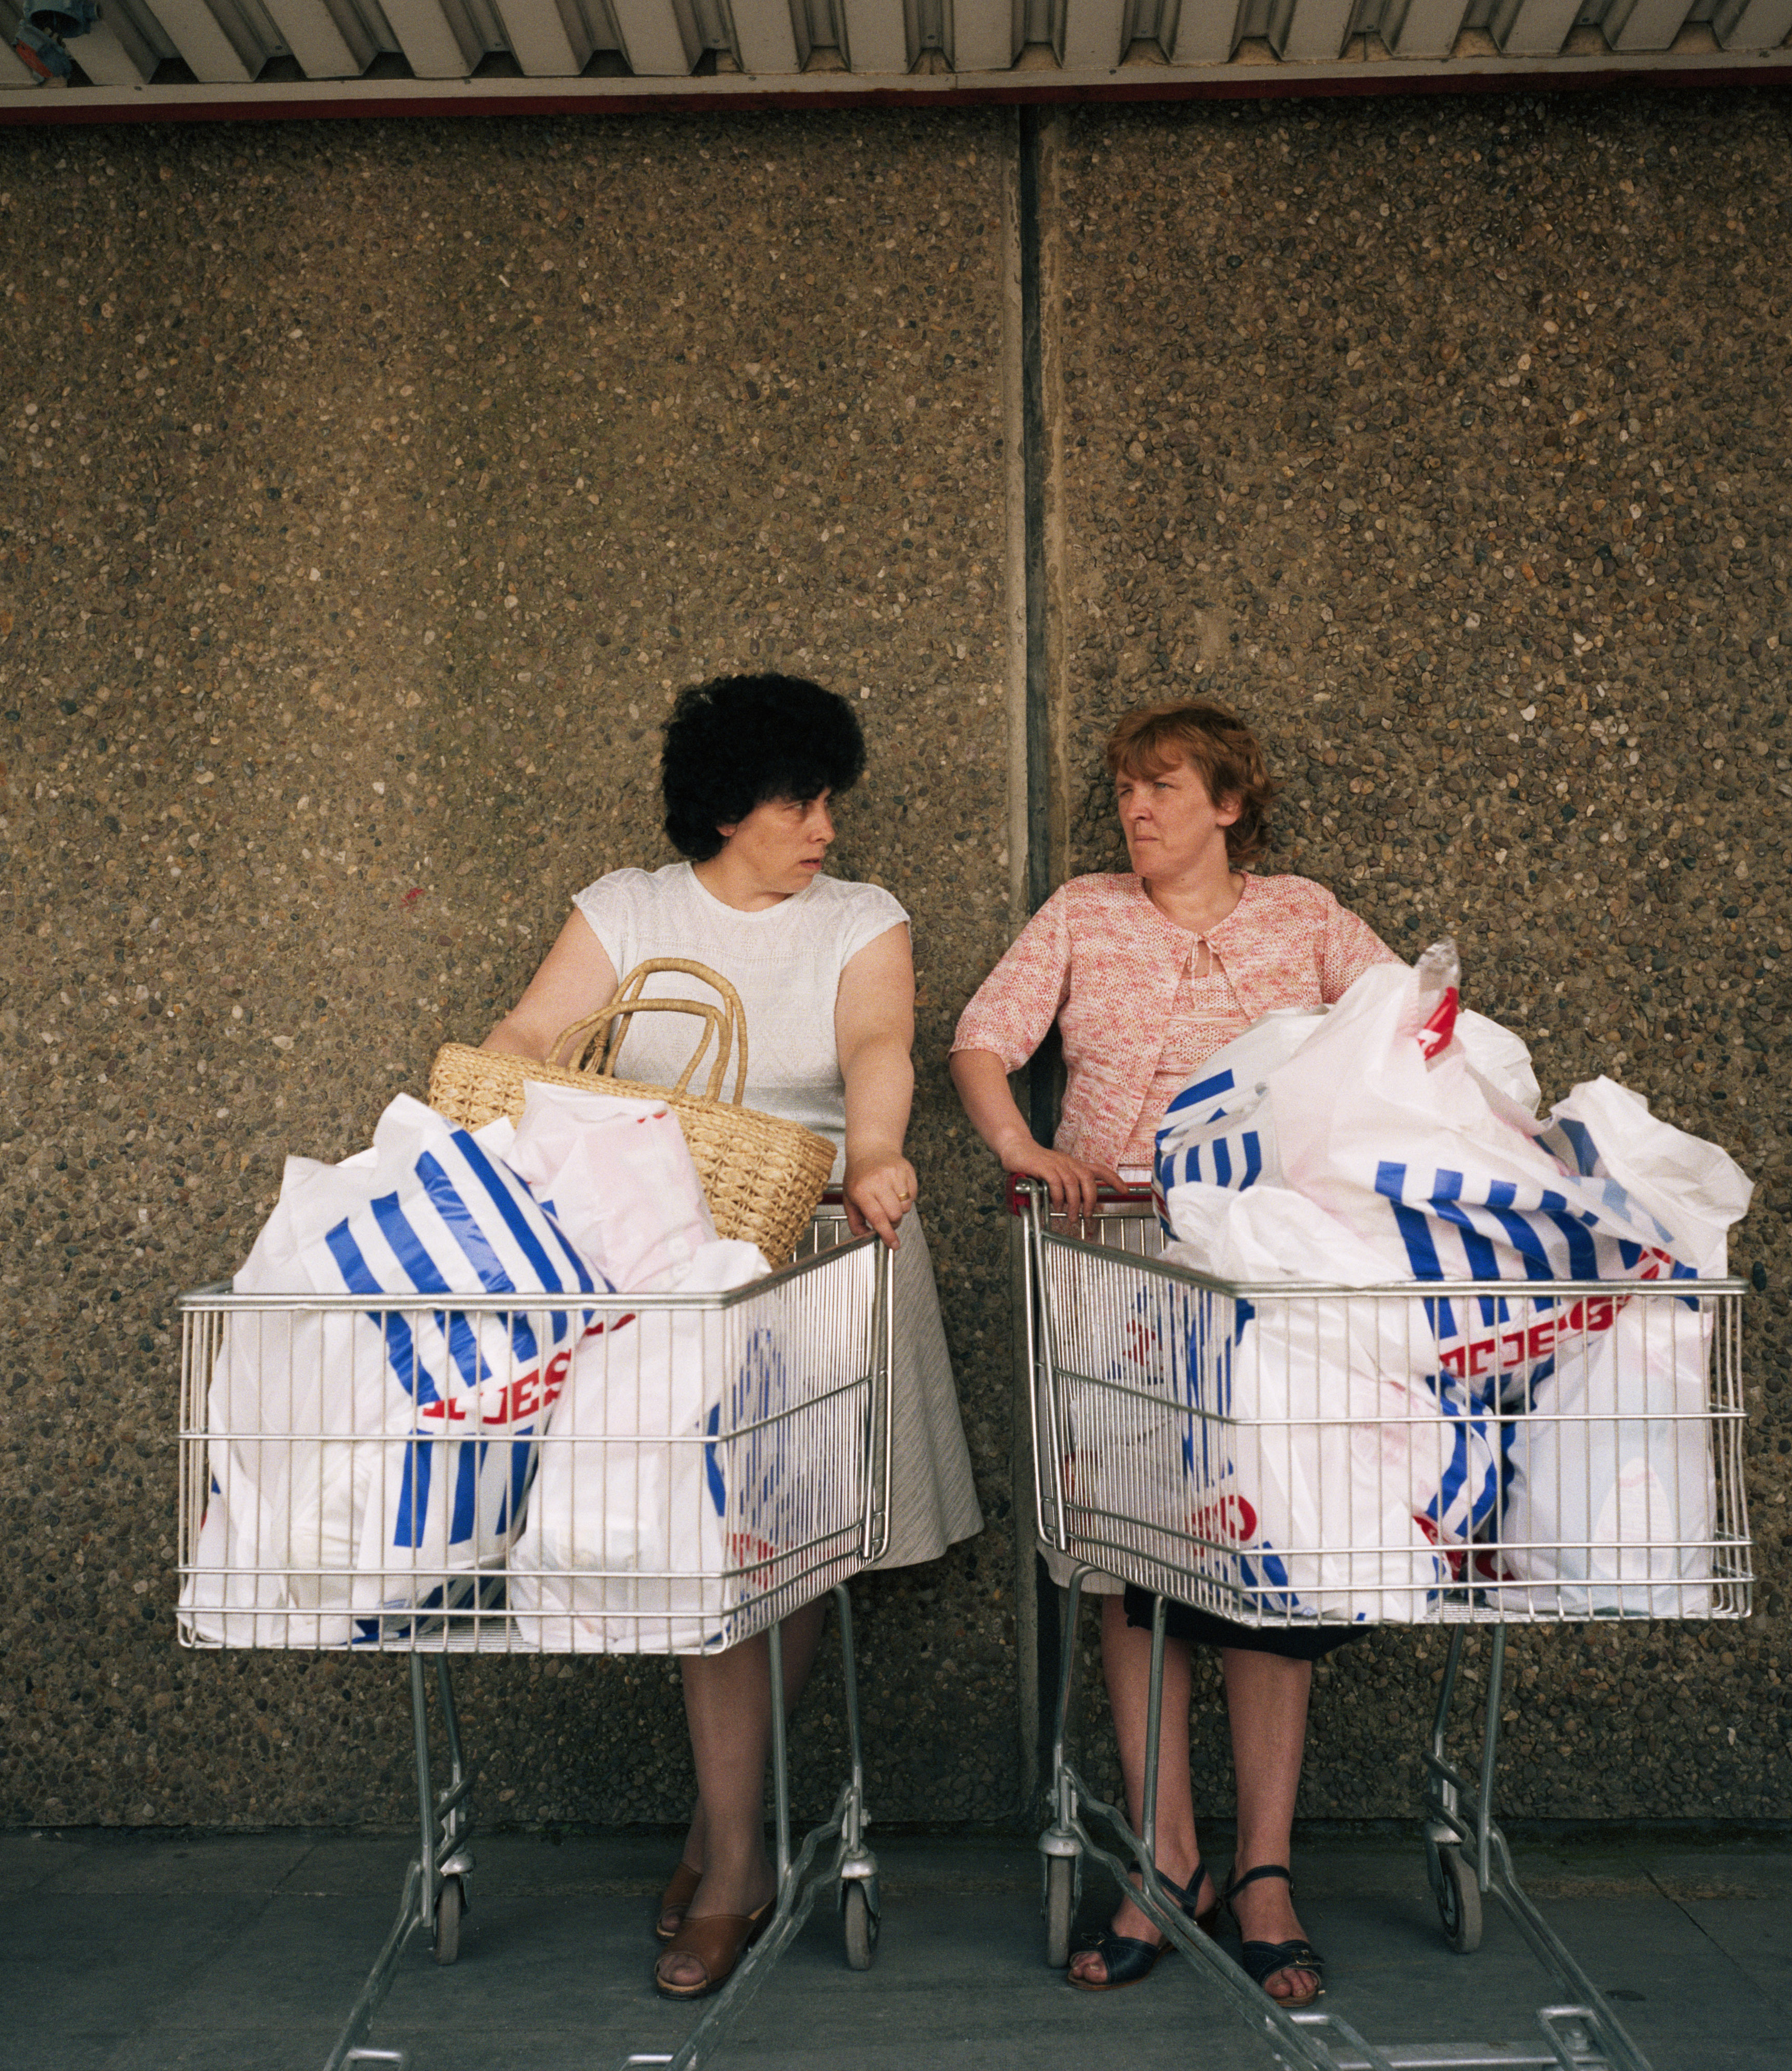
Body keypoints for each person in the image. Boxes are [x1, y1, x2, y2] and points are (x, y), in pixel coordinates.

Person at [481, 673, 982, 2001]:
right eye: (798, 798)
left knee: (786, 1556)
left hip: (819, 1249)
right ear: (723, 803)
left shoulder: (861, 918)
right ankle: (734, 1837)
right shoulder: (628, 909)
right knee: (706, 1558)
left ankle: (730, 1853)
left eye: (831, 799)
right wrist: (475, 1117)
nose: (824, 824)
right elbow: (532, 1034)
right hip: (661, 1271)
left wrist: (873, 1151)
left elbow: (879, 1042)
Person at [950, 697, 1395, 2006]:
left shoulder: (1306, 915)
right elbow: (982, 1037)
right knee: (1132, 1564)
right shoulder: (1084, 911)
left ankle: (1263, 1872)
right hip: (1117, 1263)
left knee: (1276, 1555)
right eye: (1125, 791)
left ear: (1229, 802)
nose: (1136, 811)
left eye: (1161, 788)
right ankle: (1163, 1859)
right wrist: (1023, 1149)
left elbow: (1407, 1034)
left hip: (1274, 1276)